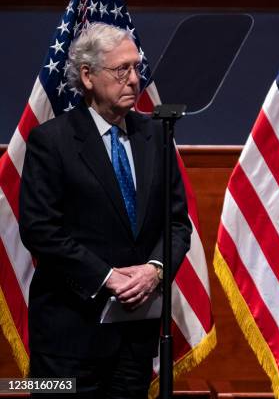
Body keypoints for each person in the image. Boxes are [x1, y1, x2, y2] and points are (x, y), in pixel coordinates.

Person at [19, 23, 192, 398]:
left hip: (134, 340)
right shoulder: (52, 142)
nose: (134, 80)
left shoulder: (156, 135)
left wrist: (154, 270)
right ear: (88, 76)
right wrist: (107, 277)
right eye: (121, 70)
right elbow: (40, 230)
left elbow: (177, 223)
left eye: (136, 68)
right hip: (69, 340)